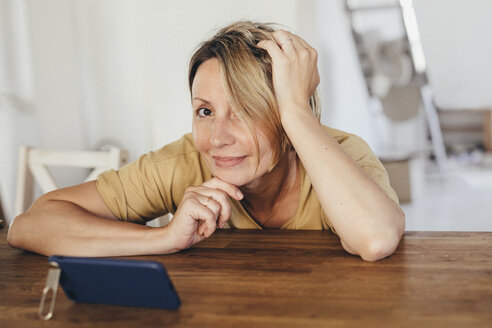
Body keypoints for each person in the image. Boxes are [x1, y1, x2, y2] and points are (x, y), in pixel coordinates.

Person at [8, 21, 405, 261]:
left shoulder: (343, 155)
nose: (216, 138)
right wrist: (164, 238)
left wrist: (297, 111)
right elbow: (29, 226)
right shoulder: (184, 162)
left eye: (245, 110)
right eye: (205, 111)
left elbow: (375, 238)